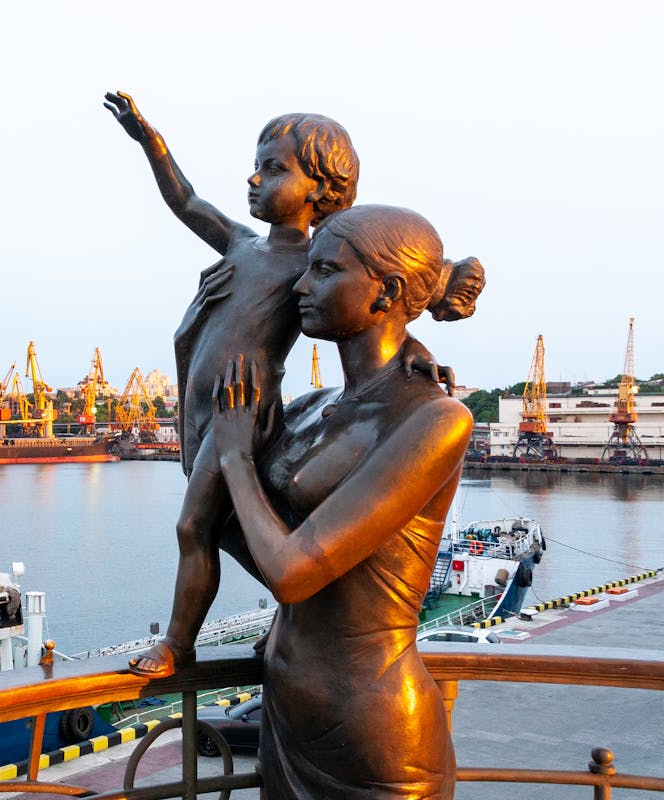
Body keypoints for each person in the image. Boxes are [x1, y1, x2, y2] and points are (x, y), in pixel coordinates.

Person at [104, 91, 442, 676]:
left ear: (321, 190)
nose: (254, 178)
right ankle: (301, 615)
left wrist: (416, 354)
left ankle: (176, 646)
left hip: (243, 409)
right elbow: (187, 202)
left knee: (194, 526)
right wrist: (152, 144)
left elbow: (383, 300)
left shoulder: (314, 262)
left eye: (274, 169)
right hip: (204, 409)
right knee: (232, 533)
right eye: (258, 165)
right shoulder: (243, 244)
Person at [211, 204, 484, 798]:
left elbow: (290, 572)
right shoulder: (314, 407)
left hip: (374, 734)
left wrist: (235, 456)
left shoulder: (435, 420)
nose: (301, 286)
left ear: (386, 291)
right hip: (284, 710)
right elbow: (223, 523)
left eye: (325, 271)